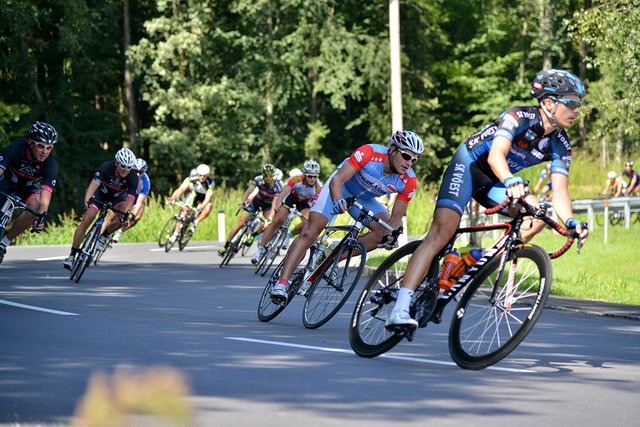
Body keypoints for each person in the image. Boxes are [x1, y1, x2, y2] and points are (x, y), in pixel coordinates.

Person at [385, 69, 590, 329]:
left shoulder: (561, 144)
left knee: (538, 216)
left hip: (494, 182)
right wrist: (511, 181)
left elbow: (560, 191)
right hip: (468, 167)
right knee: (442, 232)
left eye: (579, 104)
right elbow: (496, 156)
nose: (577, 110)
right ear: (549, 102)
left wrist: (571, 221)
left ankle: (475, 262)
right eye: (571, 103)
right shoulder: (518, 116)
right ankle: (400, 308)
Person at [270, 130, 424, 302]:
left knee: (384, 232)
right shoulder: (370, 153)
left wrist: (390, 236)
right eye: (406, 156)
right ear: (393, 150)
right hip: (340, 188)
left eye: (414, 159)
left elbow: (395, 218)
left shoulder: (408, 181)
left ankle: (335, 257)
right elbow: (338, 180)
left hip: (365, 199)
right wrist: (337, 201)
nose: (409, 163)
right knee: (311, 231)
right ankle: (281, 283)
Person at [63, 148, 138, 269]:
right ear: (116, 163)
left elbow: (130, 198)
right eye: (123, 166)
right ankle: (72, 256)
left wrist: (126, 213)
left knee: (122, 217)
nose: (125, 169)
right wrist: (87, 201)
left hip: (117, 199)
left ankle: (104, 236)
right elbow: (93, 185)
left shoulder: (133, 177)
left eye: (129, 167)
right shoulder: (106, 167)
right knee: (88, 218)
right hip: (100, 195)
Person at [0, 121, 59, 264]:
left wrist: (41, 218)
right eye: (40, 146)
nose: (44, 151)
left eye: (49, 147)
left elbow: (45, 196)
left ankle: (4, 243)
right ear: (30, 142)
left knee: (36, 207)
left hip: (28, 188)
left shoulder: (50, 164)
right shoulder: (17, 147)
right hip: (7, 180)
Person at [251, 160, 323, 264]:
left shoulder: (318, 187)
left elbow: (317, 205)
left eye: (315, 177)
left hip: (304, 203)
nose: (312, 179)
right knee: (277, 220)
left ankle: (289, 235)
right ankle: (260, 249)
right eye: (309, 176)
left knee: (307, 222)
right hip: (292, 198)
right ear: (304, 175)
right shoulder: (296, 179)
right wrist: (278, 204)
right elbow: (284, 192)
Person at [218, 163, 283, 256]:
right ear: (263, 175)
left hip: (268, 205)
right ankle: (226, 245)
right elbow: (249, 191)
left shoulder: (277, 186)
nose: (268, 178)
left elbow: (274, 203)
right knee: (240, 222)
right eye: (265, 175)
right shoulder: (258, 179)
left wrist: (271, 217)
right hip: (256, 202)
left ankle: (253, 235)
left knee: (266, 222)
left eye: (270, 176)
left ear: (273, 176)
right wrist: (243, 203)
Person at [111, 158, 151, 243]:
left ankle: (119, 233)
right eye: (135, 171)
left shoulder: (145, 181)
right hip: (125, 195)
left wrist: (132, 215)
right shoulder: (127, 174)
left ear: (144, 172)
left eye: (140, 172)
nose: (137, 174)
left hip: (136, 199)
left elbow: (140, 202)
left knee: (137, 216)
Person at [167, 164, 215, 230]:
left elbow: (208, 197)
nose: (202, 177)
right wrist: (174, 197)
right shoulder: (192, 178)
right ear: (197, 174)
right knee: (184, 211)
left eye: (204, 176)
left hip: (205, 198)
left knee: (209, 207)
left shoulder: (210, 182)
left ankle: (196, 222)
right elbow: (181, 188)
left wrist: (201, 206)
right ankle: (176, 233)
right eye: (200, 175)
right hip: (195, 195)